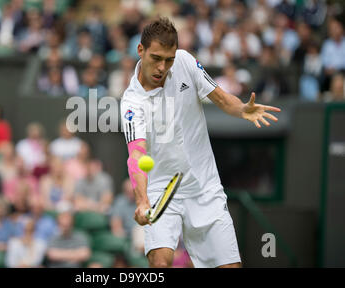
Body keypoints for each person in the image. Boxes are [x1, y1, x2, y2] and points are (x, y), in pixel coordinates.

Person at [120, 17, 281, 268]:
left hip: (205, 186)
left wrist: (241, 110)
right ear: (140, 51)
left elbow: (221, 98)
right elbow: (137, 155)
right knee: (160, 264)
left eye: (168, 59)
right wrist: (142, 200)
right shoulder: (131, 104)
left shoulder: (185, 61)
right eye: (156, 58)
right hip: (162, 189)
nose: (163, 67)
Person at [45, 203, 91, 268]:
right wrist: (75, 255)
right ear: (58, 223)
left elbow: (85, 254)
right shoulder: (53, 237)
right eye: (63, 225)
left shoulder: (80, 236)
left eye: (67, 225)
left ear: (72, 222)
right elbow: (52, 255)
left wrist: (60, 254)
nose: (65, 226)